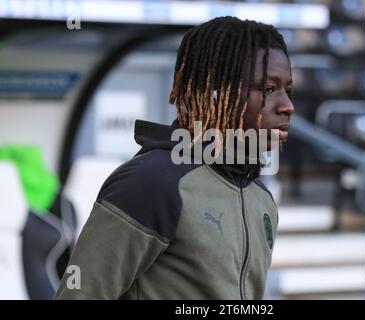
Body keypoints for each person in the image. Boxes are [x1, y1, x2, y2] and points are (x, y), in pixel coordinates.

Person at [55, 16, 294, 300]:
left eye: (288, 90)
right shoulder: (151, 182)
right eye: (267, 89)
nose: (287, 106)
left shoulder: (261, 197)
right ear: (215, 93)